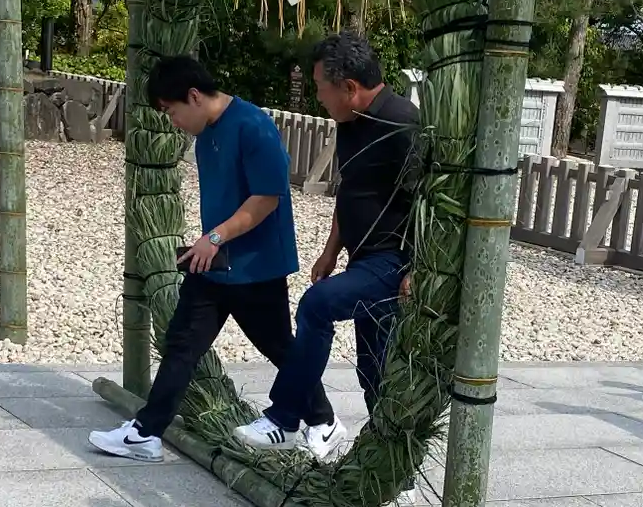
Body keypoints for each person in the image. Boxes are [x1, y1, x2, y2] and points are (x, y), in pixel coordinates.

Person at [89, 56, 337, 463]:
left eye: (171, 111)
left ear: (193, 96)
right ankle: (145, 434)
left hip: (256, 266)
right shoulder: (206, 136)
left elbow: (267, 198)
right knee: (182, 343)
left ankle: (323, 420)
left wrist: (215, 237)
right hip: (214, 264)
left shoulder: (254, 125)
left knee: (279, 347)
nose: (172, 121)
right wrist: (209, 244)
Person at [234, 29, 420, 457]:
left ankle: (283, 419)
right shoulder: (351, 123)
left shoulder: (403, 124)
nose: (319, 98)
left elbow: (432, 203)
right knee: (374, 368)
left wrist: (419, 268)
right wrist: (331, 250)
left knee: (316, 306)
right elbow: (351, 191)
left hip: (393, 261)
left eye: (321, 88)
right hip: (361, 259)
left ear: (349, 87)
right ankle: (397, 464)